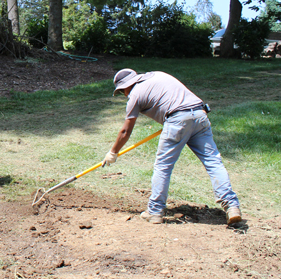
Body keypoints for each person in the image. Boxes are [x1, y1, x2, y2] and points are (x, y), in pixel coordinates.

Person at [103, 68, 242, 225]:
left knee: (163, 167)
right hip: (200, 114)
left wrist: (113, 152)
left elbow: (125, 131)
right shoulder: (158, 75)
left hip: (177, 120)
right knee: (213, 162)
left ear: (127, 86)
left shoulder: (135, 94)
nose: (124, 95)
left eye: (122, 91)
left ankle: (155, 212)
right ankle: (232, 206)